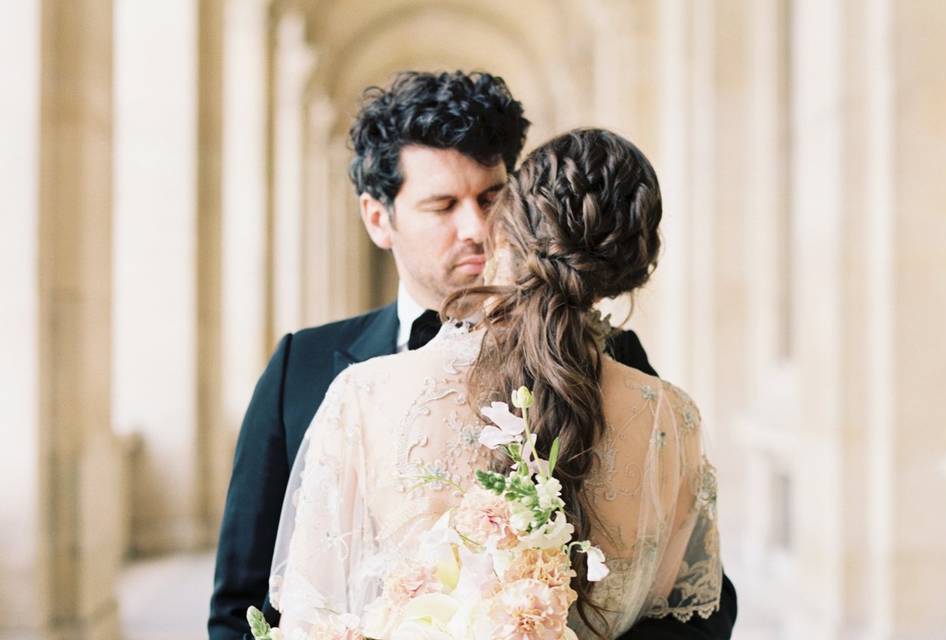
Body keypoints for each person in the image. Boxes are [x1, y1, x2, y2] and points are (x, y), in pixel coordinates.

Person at [208, 72, 736, 640]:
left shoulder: (615, 355)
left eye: (491, 198)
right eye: (442, 205)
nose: (476, 228)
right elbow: (241, 606)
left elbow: (692, 588)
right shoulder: (303, 369)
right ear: (377, 218)